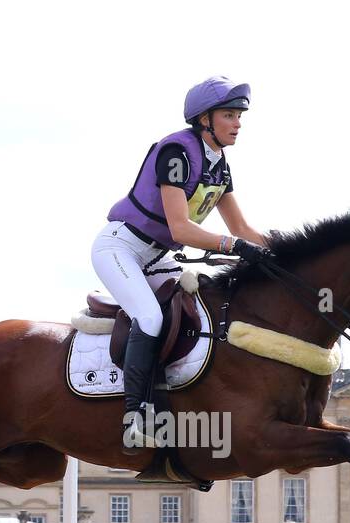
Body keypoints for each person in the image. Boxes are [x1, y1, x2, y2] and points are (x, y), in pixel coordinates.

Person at [96, 77, 270, 451]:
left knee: (202, 308)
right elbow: (181, 227)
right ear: (204, 119)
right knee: (151, 318)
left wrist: (284, 252)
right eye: (229, 115)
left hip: (156, 256)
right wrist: (235, 246)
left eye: (239, 115)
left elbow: (241, 227)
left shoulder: (220, 164)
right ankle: (135, 416)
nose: (237, 123)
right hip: (121, 249)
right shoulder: (176, 152)